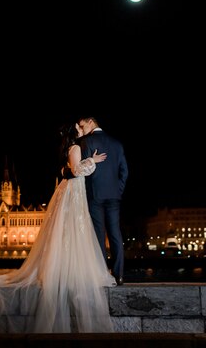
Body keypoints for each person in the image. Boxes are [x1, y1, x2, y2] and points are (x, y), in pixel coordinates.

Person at [0, 123, 117, 333]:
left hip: (69, 192)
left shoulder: (68, 149)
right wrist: (92, 161)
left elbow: (65, 170)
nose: (81, 128)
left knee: (69, 232)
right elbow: (77, 170)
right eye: (78, 127)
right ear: (75, 133)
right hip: (74, 191)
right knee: (75, 231)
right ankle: (72, 272)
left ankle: (64, 270)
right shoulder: (75, 148)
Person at [78, 116, 128, 286]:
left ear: (91, 122)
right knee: (115, 234)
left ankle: (102, 275)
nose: (81, 129)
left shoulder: (87, 142)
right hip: (114, 196)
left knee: (98, 234)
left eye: (82, 126)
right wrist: (117, 190)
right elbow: (124, 172)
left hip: (95, 195)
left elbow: (82, 172)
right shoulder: (117, 143)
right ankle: (119, 275)